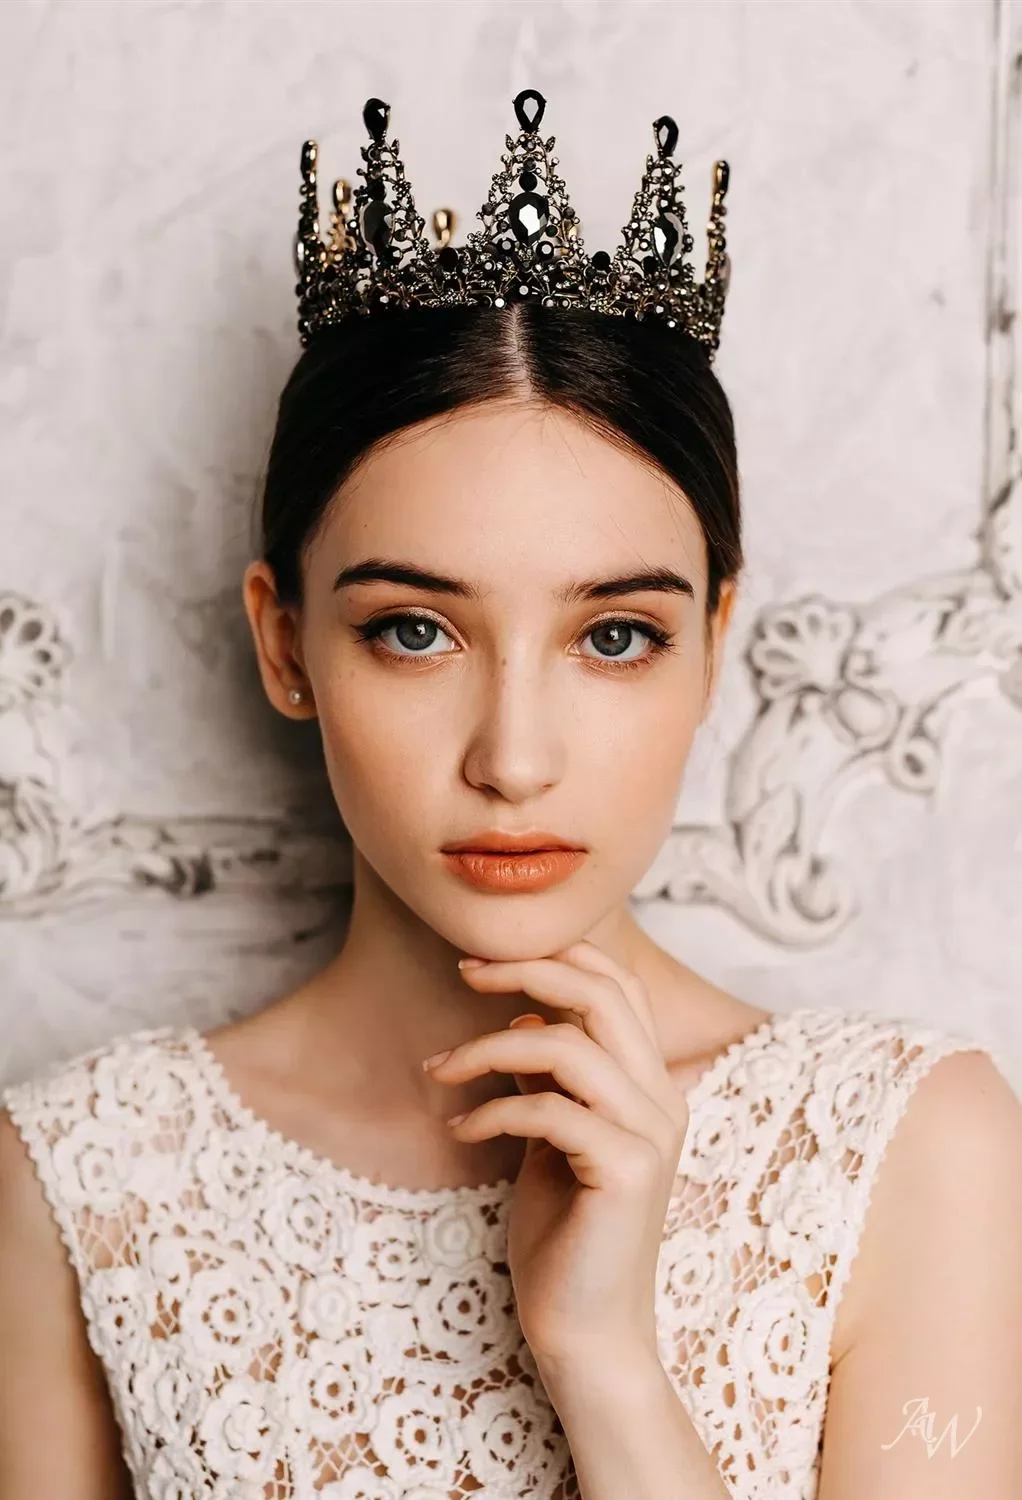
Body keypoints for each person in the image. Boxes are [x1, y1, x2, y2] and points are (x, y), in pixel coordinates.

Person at [1, 90, 1020, 1500]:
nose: (515, 758)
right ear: (286, 644)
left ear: (712, 645)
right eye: (414, 630)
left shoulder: (910, 1148)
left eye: (614, 636)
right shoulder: (85, 1178)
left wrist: (602, 1357)